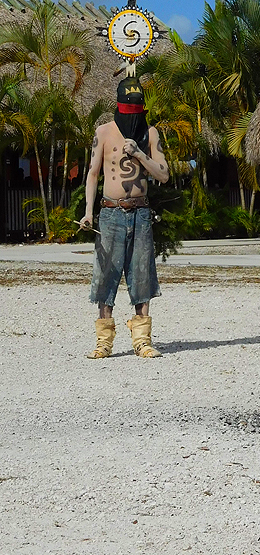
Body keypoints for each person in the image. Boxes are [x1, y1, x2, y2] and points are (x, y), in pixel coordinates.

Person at [80, 77, 169, 359]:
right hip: (110, 213)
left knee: (142, 274)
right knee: (106, 276)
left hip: (140, 213)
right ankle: (104, 341)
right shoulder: (104, 132)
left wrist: (140, 154)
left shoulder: (150, 134)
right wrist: (88, 212)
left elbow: (164, 174)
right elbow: (93, 173)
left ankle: (142, 340)